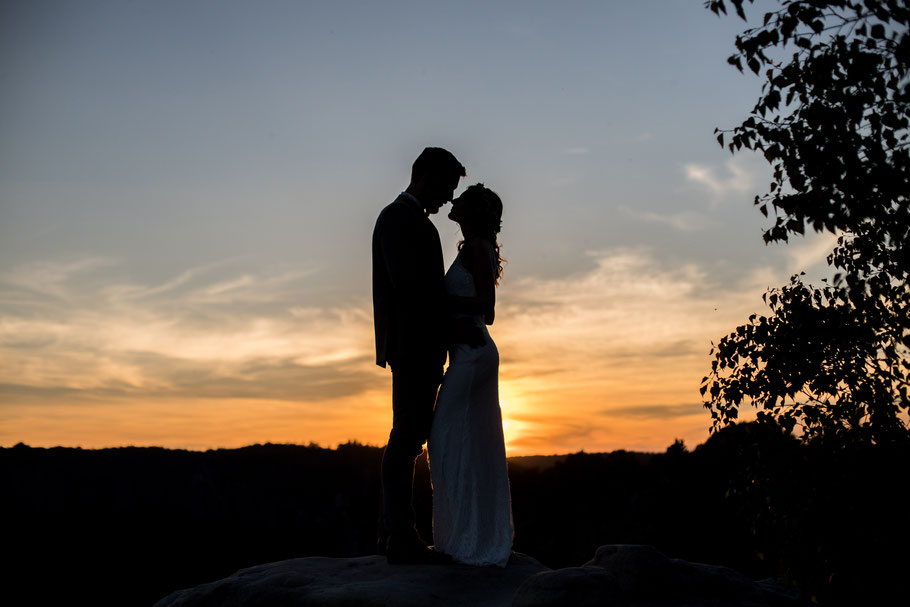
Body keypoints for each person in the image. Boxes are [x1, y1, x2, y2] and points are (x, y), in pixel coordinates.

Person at [372, 147, 465, 564]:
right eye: (446, 188)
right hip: (412, 347)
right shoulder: (397, 219)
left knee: (409, 438)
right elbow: (409, 288)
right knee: (406, 437)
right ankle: (399, 535)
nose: (447, 200)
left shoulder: (412, 222)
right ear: (425, 176)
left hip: (421, 346)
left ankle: (393, 532)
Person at [428, 183, 514, 567]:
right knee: (459, 442)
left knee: (445, 437)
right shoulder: (472, 249)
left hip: (475, 353)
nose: (452, 200)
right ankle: (462, 537)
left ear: (473, 211)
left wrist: (436, 299)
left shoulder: (477, 249)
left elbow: (486, 307)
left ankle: (469, 540)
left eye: (460, 198)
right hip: (468, 350)